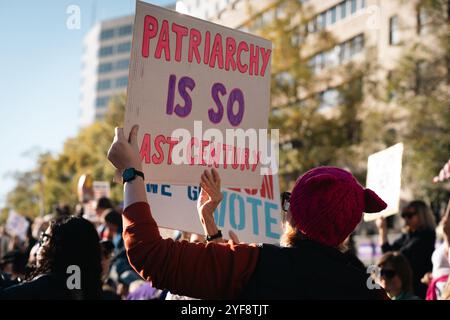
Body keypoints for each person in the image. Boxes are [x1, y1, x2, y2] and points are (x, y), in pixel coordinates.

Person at [106, 125, 389, 299]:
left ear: (294, 216)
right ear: (347, 229)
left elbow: (151, 256)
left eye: (288, 200)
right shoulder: (367, 288)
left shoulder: (256, 264)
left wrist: (133, 173)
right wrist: (209, 224)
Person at [0, 216, 103, 300]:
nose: (39, 245)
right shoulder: (88, 287)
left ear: (57, 247)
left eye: (44, 238)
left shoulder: (43, 288)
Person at [376, 200, 436, 298]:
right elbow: (388, 253)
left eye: (410, 215)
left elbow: (397, 258)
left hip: (419, 287)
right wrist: (382, 229)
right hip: (406, 288)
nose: (406, 219)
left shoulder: (427, 235)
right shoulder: (407, 236)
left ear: (422, 216)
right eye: (404, 215)